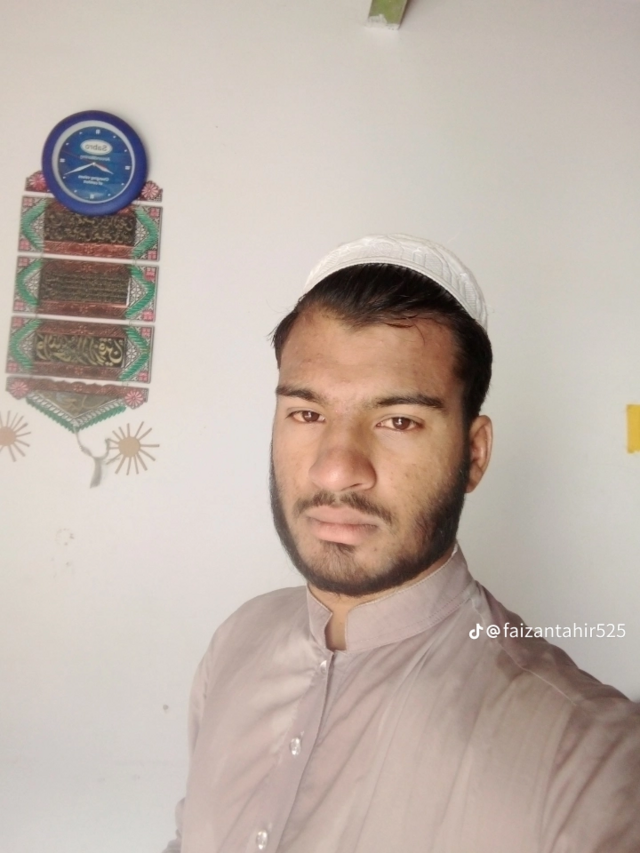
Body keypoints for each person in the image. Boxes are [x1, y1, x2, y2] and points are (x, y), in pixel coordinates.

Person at [163, 235, 640, 853]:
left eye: (398, 421)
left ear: (474, 454)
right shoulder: (236, 643)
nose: (337, 469)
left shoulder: (592, 759)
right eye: (307, 414)